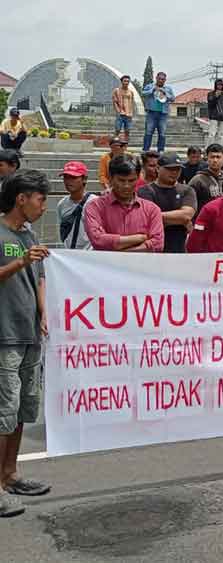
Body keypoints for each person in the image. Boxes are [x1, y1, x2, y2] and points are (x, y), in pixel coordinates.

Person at [0, 169, 52, 518]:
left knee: (22, 410)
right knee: (3, 412)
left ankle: (10, 474)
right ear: (22, 199)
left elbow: (41, 278)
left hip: (30, 333)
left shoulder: (30, 233)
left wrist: (43, 312)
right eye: (39, 199)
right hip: (4, 335)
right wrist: (20, 261)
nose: (43, 206)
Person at [84, 156, 164, 252]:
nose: (126, 186)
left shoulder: (152, 210)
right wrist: (139, 238)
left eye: (131, 180)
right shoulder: (95, 207)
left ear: (138, 178)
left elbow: (157, 244)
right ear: (111, 178)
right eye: (121, 180)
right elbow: (98, 240)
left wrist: (119, 251)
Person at [137, 152, 197, 253]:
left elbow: (186, 215)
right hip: (152, 248)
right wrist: (178, 219)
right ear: (158, 168)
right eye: (169, 169)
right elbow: (145, 218)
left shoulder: (187, 190)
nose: (174, 172)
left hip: (178, 248)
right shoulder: (145, 191)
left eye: (177, 169)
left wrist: (156, 217)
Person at [56, 161, 96, 250]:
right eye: (66, 177)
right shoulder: (62, 204)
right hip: (69, 256)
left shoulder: (95, 203)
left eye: (73, 177)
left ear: (84, 179)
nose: (68, 181)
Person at [141, 71, 174, 153]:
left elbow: (173, 98)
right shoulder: (150, 86)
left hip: (163, 113)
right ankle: (145, 150)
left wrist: (165, 93)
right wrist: (152, 90)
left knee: (162, 133)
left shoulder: (168, 88)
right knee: (148, 131)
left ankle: (161, 150)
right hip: (151, 112)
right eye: (159, 79)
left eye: (163, 79)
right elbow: (143, 93)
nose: (161, 80)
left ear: (165, 80)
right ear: (156, 78)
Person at [189, 143, 223, 214]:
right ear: (207, 159)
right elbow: (189, 204)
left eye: (218, 157)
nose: (215, 160)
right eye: (212, 157)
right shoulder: (197, 180)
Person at [206, 79, 223, 146]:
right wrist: (216, 97)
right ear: (215, 85)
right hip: (214, 117)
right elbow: (210, 105)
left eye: (221, 85)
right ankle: (209, 148)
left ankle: (219, 148)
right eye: (218, 85)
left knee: (221, 135)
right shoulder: (210, 94)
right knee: (212, 134)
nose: (219, 86)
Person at [112, 75, 135, 142]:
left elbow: (132, 102)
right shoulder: (117, 90)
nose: (126, 82)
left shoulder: (131, 92)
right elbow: (115, 102)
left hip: (128, 114)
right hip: (121, 113)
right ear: (121, 82)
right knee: (118, 129)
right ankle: (115, 143)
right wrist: (118, 111)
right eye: (125, 81)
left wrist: (131, 112)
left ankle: (125, 144)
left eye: (128, 81)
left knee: (127, 130)